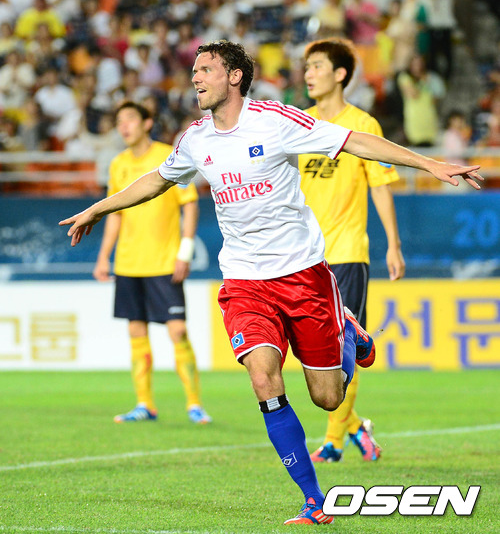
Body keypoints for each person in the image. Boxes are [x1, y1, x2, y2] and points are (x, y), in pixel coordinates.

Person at [59, 41, 482, 525]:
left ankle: (347, 332)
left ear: (235, 76)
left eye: (206, 69)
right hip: (244, 281)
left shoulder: (275, 120)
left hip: (303, 275)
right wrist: (98, 208)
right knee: (263, 377)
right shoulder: (195, 139)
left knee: (328, 397)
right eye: (194, 70)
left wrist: (430, 164)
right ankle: (313, 499)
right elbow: (157, 180)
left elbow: (355, 142)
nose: (195, 77)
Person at [299, 37, 405, 464]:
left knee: (341, 348)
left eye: (317, 66)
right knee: (309, 354)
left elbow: (380, 187)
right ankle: (356, 426)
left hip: (346, 252)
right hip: (304, 257)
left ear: (340, 74)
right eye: (307, 66)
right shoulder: (300, 124)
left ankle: (334, 442)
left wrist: (393, 244)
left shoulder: (363, 124)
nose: (308, 73)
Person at [93, 101, 212, 425]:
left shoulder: (168, 156)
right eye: (119, 120)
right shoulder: (118, 164)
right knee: (135, 331)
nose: (124, 126)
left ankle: (194, 404)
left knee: (178, 331)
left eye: (130, 119)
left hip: (164, 262)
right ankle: (144, 404)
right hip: (128, 263)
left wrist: (185, 251)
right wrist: (104, 256)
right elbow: (114, 214)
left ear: (147, 123)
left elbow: (190, 204)